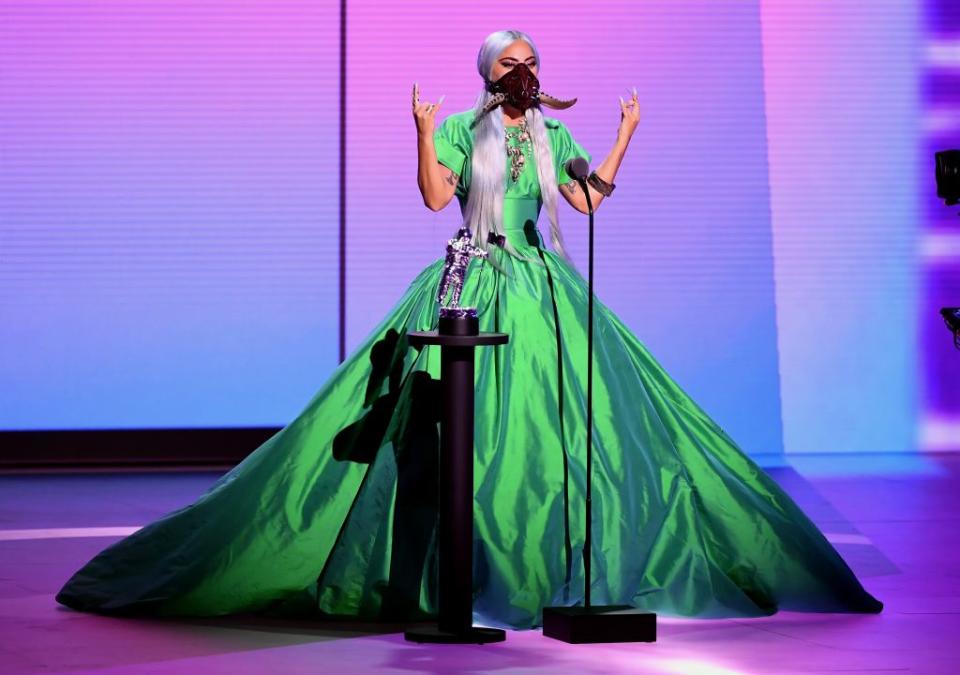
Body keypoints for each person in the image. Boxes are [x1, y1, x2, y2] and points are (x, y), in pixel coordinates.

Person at [55, 29, 882, 630]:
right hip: (474, 280)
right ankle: (459, 572)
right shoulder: (470, 130)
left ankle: (556, 567)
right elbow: (430, 195)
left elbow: (584, 202)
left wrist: (623, 140)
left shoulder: (553, 132)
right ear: (491, 74)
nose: (526, 74)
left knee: (576, 430)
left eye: (533, 62)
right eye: (511, 64)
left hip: (545, 283)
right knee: (465, 432)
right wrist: (422, 131)